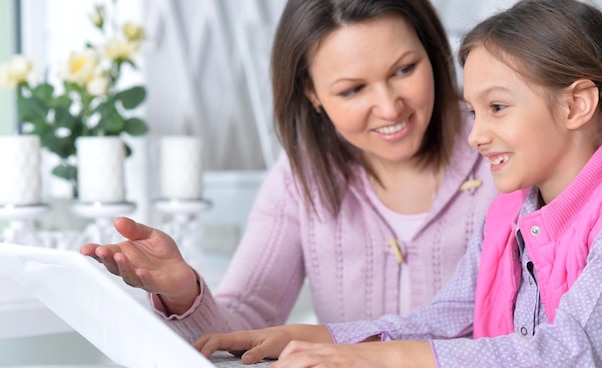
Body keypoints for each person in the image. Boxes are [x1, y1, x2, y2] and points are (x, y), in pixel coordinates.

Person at [193, 0, 602, 368]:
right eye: (474, 112)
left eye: (496, 107)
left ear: (576, 105)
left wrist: (385, 359)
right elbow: (441, 320)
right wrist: (319, 338)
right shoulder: (507, 214)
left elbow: (572, 351)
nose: (475, 135)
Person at [80, 0, 497, 342]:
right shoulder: (301, 176)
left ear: (433, 54)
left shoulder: (501, 149)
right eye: (353, 90)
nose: (390, 107)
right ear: (311, 93)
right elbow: (244, 323)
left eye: (405, 70)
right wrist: (183, 292)